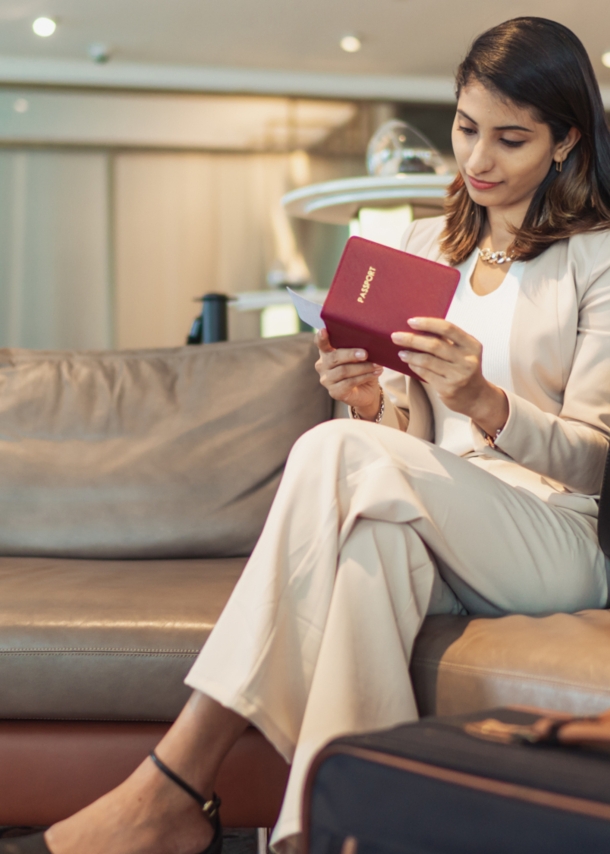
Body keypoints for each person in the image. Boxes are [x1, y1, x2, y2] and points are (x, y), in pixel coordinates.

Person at [4, 15, 610, 854]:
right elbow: (404, 438)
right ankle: (327, 836)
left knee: (330, 455)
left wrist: (484, 399)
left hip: (554, 539)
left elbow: (594, 458)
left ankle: (171, 785)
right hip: (435, 518)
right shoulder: (425, 242)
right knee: (371, 552)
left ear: (567, 140)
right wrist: (367, 403)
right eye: (466, 128)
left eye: (511, 139)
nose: (476, 160)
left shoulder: (596, 257)